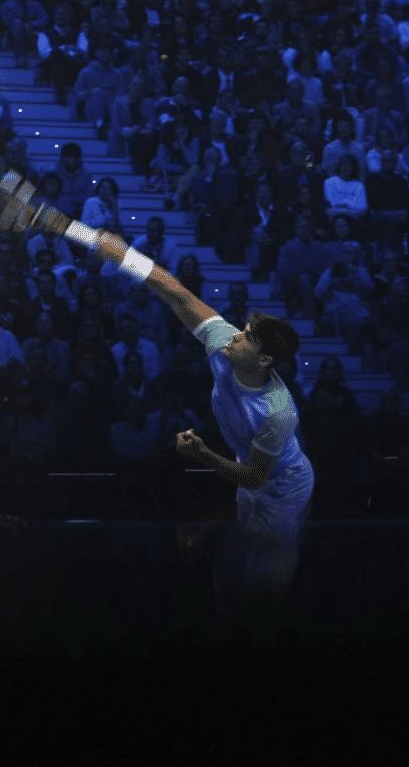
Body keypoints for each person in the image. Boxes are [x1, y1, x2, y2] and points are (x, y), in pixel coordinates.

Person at [50, 211, 315, 626]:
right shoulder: (225, 344)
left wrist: (202, 453)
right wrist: (120, 252)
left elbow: (253, 478)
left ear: (264, 360)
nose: (236, 336)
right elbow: (173, 290)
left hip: (285, 487)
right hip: (250, 469)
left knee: (269, 581)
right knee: (232, 576)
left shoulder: (278, 412)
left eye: (247, 337)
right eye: (242, 329)